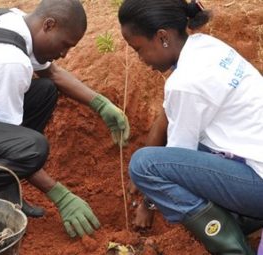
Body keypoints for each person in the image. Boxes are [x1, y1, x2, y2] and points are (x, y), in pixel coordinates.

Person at [0, 0, 130, 239]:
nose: (64, 54)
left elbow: (51, 73)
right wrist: (60, 195)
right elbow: (15, 147)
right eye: (65, 45)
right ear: (49, 25)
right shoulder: (9, 60)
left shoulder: (13, 19)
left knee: (45, 91)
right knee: (32, 150)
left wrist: (101, 104)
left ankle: (2, 190)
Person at [118, 0, 263, 254]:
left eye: (138, 49)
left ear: (162, 37)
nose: (140, 59)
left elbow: (170, 161)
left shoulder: (185, 83)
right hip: (255, 163)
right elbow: (168, 114)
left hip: (258, 182)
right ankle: (243, 219)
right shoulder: (206, 47)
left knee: (143, 164)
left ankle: (234, 248)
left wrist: (148, 202)